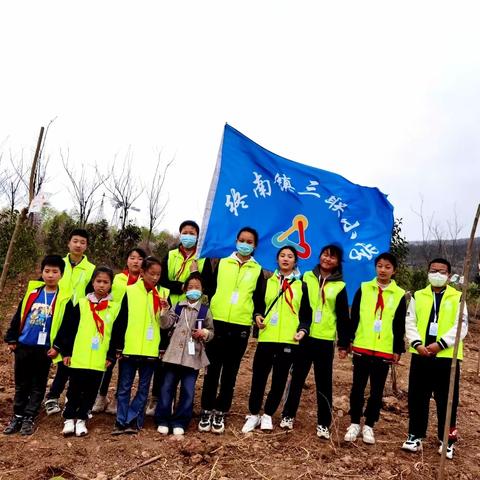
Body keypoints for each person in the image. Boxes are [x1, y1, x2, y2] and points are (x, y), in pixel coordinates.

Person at [199, 227, 264, 434]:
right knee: (212, 370)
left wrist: (256, 316)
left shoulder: (258, 269)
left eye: (250, 241)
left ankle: (221, 411)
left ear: (255, 246)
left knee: (230, 372)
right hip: (216, 322)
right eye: (242, 240)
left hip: (240, 325)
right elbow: (208, 290)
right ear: (236, 241)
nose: (245, 244)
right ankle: (206, 409)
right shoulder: (222, 263)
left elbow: (259, 299)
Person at [281, 245, 350, 438]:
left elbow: (343, 317)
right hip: (305, 336)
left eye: (333, 257)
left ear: (338, 262)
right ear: (320, 256)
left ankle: (323, 424)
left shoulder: (340, 286)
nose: (328, 259)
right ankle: (288, 415)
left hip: (325, 339)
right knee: (297, 378)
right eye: (325, 255)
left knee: (324, 383)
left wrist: (343, 343)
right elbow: (298, 306)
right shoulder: (306, 278)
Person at [401, 258, 468, 459]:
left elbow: (461, 326)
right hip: (421, 355)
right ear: (427, 272)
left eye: (442, 271)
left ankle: (446, 440)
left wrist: (440, 344)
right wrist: (417, 344)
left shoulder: (458, 297)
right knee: (417, 396)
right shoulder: (418, 296)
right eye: (433, 270)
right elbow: (410, 321)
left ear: (449, 275)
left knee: (447, 400)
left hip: (447, 357)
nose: (437, 274)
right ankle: (415, 436)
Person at [242, 246, 312, 433]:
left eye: (290, 256)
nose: (286, 259)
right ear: (277, 259)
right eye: (282, 256)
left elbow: (306, 315)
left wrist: (302, 331)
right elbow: (257, 306)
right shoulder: (266, 281)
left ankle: (268, 415)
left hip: (289, 340)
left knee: (279, 380)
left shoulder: (301, 286)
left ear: (295, 261)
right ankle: (254, 413)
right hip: (267, 338)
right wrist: (257, 317)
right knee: (259, 377)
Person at [3, 255, 70, 435]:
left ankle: (29, 417)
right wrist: (12, 338)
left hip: (44, 350)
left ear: (61, 275)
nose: (50, 275)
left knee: (38, 384)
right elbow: (19, 315)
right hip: (24, 345)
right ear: (42, 272)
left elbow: (65, 326)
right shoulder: (33, 293)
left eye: (55, 272)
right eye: (47, 271)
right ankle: (17, 415)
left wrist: (57, 346)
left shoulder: (64, 298)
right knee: (21, 383)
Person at [344, 252, 406, 445]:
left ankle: (369, 424)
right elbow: (355, 316)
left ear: (394, 270)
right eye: (380, 266)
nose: (383, 270)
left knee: (377, 390)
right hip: (362, 345)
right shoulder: (363, 289)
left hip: (384, 348)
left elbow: (399, 324)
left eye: (387, 267)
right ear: (375, 267)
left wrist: (397, 349)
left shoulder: (399, 295)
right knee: (357, 387)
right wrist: (350, 338)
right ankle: (354, 422)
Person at [55, 267, 119, 437]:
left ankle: (82, 419)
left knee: (91, 390)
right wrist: (67, 352)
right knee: (74, 388)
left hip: (98, 360)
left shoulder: (113, 308)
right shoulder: (82, 304)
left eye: (106, 282)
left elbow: (115, 335)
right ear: (92, 282)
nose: (102, 285)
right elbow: (69, 330)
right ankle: (69, 418)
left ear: (111, 285)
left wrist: (110, 356)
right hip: (79, 357)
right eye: (98, 281)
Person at [110, 256, 170, 434]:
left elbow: (166, 326)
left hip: (150, 349)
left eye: (158, 274)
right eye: (151, 274)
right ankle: (121, 421)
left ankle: (134, 420)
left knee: (144, 388)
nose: (155, 278)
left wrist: (162, 347)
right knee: (124, 387)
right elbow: (121, 320)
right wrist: (118, 346)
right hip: (130, 347)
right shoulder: (129, 291)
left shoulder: (163, 294)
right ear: (142, 273)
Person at [155, 273, 214, 435]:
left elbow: (211, 332)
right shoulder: (178, 306)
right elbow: (166, 324)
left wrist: (204, 333)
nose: (193, 290)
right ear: (184, 289)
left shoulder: (205, 311)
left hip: (192, 358)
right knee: (167, 387)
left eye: (197, 287)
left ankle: (180, 421)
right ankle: (163, 419)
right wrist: (165, 310)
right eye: (190, 287)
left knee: (188, 390)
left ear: (202, 290)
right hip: (173, 355)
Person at [45, 228, 96, 416]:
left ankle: (56, 396)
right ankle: (41, 397)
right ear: (68, 243)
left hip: (76, 319)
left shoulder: (91, 269)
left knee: (69, 358)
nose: (78, 245)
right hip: (54, 313)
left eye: (82, 242)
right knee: (51, 356)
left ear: (86, 246)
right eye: (75, 241)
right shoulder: (58, 264)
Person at [92, 247, 147, 414]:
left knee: (125, 364)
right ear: (127, 260)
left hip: (133, 329)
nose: (135, 261)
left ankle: (118, 398)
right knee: (107, 362)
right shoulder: (118, 279)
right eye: (132, 257)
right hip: (112, 325)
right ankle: (101, 396)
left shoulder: (145, 282)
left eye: (139, 258)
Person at [160, 220, 213, 306]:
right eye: (185, 233)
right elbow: (161, 279)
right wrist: (180, 286)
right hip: (168, 304)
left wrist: (195, 273)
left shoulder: (203, 258)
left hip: (191, 307)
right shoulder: (170, 255)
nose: (188, 236)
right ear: (180, 235)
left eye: (191, 233)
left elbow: (207, 286)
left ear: (197, 237)